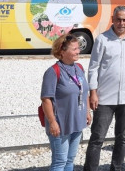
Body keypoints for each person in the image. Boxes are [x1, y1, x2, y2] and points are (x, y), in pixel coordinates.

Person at [83, 6, 125, 171]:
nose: (121, 23)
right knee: (97, 138)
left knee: (123, 138)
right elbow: (93, 67)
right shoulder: (102, 39)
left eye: (124, 19)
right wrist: (93, 92)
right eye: (118, 19)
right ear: (112, 19)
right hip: (104, 97)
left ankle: (117, 168)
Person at [40, 34, 91, 171]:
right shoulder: (53, 72)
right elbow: (46, 99)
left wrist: (87, 112)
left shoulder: (79, 67)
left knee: (70, 160)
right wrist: (52, 122)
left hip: (77, 121)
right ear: (62, 52)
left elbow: (84, 90)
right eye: (74, 49)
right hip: (60, 123)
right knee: (59, 162)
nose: (78, 51)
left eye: (78, 48)